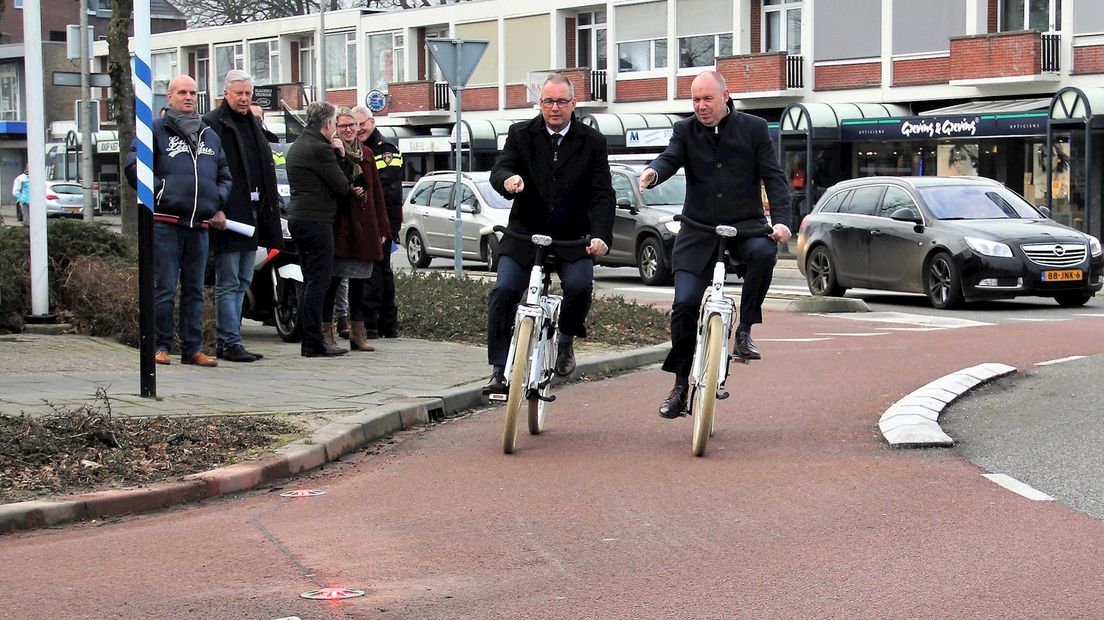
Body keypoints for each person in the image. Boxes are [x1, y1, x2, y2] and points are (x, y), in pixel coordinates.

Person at [638, 70, 792, 419]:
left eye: (707, 99)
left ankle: (745, 330)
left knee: (764, 254)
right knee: (685, 304)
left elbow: (774, 177)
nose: (701, 106)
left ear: (725, 96)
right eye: (695, 100)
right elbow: (669, 158)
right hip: (698, 229)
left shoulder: (753, 129)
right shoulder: (685, 130)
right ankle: (679, 386)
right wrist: (653, 172)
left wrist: (781, 221)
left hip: (746, 227)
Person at [483, 73, 615, 393]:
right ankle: (499, 370)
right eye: (547, 101)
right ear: (539, 103)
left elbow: (602, 194)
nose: (554, 108)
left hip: (572, 237)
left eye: (560, 102)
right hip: (524, 234)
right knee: (504, 291)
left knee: (581, 287)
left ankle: (566, 339)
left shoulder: (592, 142)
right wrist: (508, 181)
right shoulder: (520, 134)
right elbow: (500, 168)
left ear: (573, 104)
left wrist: (601, 236)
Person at [125, 74, 232, 367]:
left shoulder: (210, 134)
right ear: (169, 97)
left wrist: (216, 199)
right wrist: (160, 190)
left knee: (195, 290)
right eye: (182, 92)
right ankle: (160, 346)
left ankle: (192, 348)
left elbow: (224, 174)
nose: (188, 97)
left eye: (193, 92)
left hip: (199, 226)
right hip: (166, 222)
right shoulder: (155, 130)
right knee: (164, 288)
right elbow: (133, 164)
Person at [202, 70, 283, 363]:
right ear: (226, 94)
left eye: (248, 93)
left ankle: (232, 339)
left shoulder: (253, 124)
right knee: (228, 281)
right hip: (228, 214)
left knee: (243, 279)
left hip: (253, 214)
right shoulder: (212, 124)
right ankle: (228, 341)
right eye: (239, 93)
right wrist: (214, 207)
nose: (245, 98)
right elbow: (208, 171)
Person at [285, 101, 358, 357]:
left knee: (309, 280)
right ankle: (313, 341)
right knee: (319, 281)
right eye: (334, 123)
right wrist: (340, 155)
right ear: (327, 124)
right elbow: (341, 186)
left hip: (299, 218)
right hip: (316, 220)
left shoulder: (298, 145)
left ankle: (310, 339)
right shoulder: (319, 148)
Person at [322, 107, 390, 352]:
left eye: (353, 125)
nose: (350, 130)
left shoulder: (369, 154)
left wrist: (383, 226)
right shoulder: (330, 152)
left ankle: (358, 332)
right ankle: (327, 330)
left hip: (365, 225)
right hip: (340, 226)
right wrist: (340, 158)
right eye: (343, 126)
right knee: (333, 281)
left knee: (361, 281)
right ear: (335, 128)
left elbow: (377, 194)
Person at [353, 105, 403, 339]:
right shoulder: (359, 148)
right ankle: (385, 325)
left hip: (382, 220)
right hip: (372, 219)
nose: (359, 128)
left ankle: (375, 324)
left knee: (376, 272)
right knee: (381, 271)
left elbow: (388, 190)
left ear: (372, 123)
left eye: (363, 123)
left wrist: (387, 227)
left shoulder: (385, 150)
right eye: (356, 124)